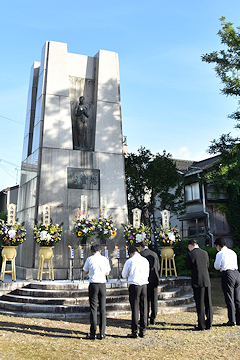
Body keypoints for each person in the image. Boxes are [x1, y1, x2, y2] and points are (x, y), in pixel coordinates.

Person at [83, 244, 111, 340]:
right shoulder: (105, 259)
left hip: (93, 284)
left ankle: (93, 332)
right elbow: (107, 273)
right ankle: (102, 333)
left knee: (93, 308)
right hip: (102, 284)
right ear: (100, 251)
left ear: (92, 251)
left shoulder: (90, 259)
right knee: (102, 309)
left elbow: (85, 271)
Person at [122, 246, 149, 338]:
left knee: (135, 308)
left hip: (134, 285)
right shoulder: (145, 260)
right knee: (144, 307)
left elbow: (124, 274)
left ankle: (134, 331)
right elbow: (148, 273)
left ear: (130, 254)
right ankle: (143, 330)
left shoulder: (130, 261)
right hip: (144, 285)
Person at [186, 239, 213, 331]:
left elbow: (187, 266)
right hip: (206, 280)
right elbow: (207, 265)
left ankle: (201, 324)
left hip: (197, 281)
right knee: (208, 302)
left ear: (190, 246)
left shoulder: (191, 254)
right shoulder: (205, 253)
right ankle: (209, 323)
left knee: (200, 303)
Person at [214, 237, 240, 326]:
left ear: (218, 246)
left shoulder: (220, 253)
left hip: (228, 274)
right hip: (236, 273)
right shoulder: (232, 252)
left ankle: (232, 320)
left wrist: (221, 267)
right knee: (237, 298)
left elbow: (216, 266)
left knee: (229, 297)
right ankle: (238, 319)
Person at [139, 240, 160, 325]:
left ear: (141, 247)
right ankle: (153, 318)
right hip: (155, 279)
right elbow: (158, 267)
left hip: (146, 279)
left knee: (145, 299)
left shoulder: (141, 255)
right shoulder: (154, 254)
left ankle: (145, 318)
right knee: (154, 299)